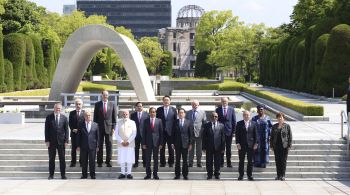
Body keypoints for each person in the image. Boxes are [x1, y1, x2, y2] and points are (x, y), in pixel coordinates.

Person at [45, 103, 69, 180]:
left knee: (62, 159)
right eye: (56, 108)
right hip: (51, 142)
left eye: (59, 108)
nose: (58, 110)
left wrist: (66, 141)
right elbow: (46, 130)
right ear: (54, 109)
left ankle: (63, 175)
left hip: (61, 142)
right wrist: (47, 140)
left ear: (61, 109)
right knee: (51, 159)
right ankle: (51, 175)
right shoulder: (49, 117)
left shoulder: (64, 118)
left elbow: (67, 130)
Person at [94, 90, 116, 167]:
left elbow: (114, 118)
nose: (105, 96)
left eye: (106, 95)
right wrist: (95, 128)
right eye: (104, 95)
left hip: (109, 128)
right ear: (101, 95)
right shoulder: (97, 104)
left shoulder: (112, 104)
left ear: (108, 96)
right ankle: (99, 162)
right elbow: (95, 118)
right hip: (99, 128)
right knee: (99, 145)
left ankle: (108, 161)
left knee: (109, 145)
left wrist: (113, 128)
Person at [235, 110, 258, 181]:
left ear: (250, 116)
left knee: (250, 161)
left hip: (251, 146)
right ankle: (241, 175)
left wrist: (256, 143)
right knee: (241, 161)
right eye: (245, 115)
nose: (246, 116)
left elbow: (256, 135)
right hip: (242, 146)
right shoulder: (239, 123)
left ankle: (249, 175)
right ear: (243, 116)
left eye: (247, 115)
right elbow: (237, 134)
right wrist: (237, 143)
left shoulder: (254, 123)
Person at [202, 112, 225, 180]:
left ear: (217, 117)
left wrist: (223, 147)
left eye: (216, 116)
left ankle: (217, 174)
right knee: (209, 161)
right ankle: (209, 174)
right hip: (209, 147)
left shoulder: (221, 125)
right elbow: (204, 137)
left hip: (218, 147)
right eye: (213, 116)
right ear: (210, 117)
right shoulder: (206, 125)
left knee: (217, 161)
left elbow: (223, 138)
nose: (214, 118)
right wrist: (203, 147)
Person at [76, 111, 99, 179]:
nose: (88, 117)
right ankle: (84, 175)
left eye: (89, 115)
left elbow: (98, 136)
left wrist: (98, 146)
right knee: (84, 161)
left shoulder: (96, 125)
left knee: (92, 161)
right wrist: (78, 146)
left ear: (91, 116)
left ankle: (92, 174)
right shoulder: (80, 124)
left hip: (93, 146)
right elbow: (78, 136)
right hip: (83, 146)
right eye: (86, 115)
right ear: (84, 116)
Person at [171, 108, 193, 180]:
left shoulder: (189, 122)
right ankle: (177, 175)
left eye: (182, 113)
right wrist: (172, 143)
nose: (181, 114)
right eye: (179, 113)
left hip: (185, 144)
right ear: (178, 114)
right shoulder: (175, 122)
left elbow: (190, 134)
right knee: (177, 160)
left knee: (185, 160)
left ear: (184, 114)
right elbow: (173, 133)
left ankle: (185, 174)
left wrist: (190, 144)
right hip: (177, 144)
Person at [142, 107, 163, 180]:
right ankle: (148, 174)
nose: (152, 113)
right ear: (149, 113)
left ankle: (155, 174)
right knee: (148, 160)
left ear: (155, 113)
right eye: (151, 112)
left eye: (154, 112)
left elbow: (161, 133)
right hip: (147, 143)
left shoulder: (159, 121)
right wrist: (143, 143)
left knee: (156, 159)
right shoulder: (146, 121)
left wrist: (161, 143)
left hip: (156, 143)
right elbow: (144, 133)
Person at [271, 112, 292, 181]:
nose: (280, 118)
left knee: (283, 161)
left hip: (284, 146)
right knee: (277, 161)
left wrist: (289, 145)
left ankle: (283, 175)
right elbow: (271, 137)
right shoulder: (274, 126)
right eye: (278, 117)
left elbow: (290, 136)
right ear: (277, 118)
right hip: (276, 146)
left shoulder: (287, 126)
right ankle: (278, 175)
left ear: (283, 118)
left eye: (281, 117)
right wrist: (271, 145)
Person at [115, 109, 137, 179]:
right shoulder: (118, 122)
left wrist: (128, 141)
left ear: (129, 114)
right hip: (121, 144)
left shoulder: (132, 122)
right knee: (122, 159)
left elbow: (134, 133)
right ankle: (122, 173)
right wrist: (121, 141)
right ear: (122, 115)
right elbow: (116, 133)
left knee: (129, 159)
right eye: (124, 114)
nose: (125, 115)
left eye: (126, 114)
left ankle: (129, 173)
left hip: (130, 144)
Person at [156, 95, 177, 167]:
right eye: (165, 100)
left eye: (167, 100)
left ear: (170, 101)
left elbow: (175, 121)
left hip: (170, 132)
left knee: (171, 148)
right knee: (162, 148)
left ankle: (171, 162)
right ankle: (162, 162)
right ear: (163, 101)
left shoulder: (173, 109)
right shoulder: (159, 109)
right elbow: (157, 121)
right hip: (161, 132)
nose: (166, 101)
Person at [215, 97, 236, 167]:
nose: (224, 102)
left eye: (225, 101)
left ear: (228, 102)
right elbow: (216, 121)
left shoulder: (231, 109)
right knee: (221, 148)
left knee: (228, 148)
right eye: (223, 101)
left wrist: (233, 132)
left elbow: (234, 121)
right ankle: (221, 163)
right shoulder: (217, 109)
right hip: (220, 132)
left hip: (229, 132)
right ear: (221, 102)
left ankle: (229, 163)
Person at [186, 100, 207, 167]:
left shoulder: (202, 112)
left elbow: (204, 123)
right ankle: (190, 162)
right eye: (193, 104)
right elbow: (186, 122)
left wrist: (203, 132)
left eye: (196, 104)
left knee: (199, 149)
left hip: (199, 133)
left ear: (198, 105)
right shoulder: (188, 112)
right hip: (190, 134)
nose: (194, 106)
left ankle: (199, 162)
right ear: (191, 105)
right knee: (190, 149)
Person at [130, 102, 149, 168]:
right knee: (136, 150)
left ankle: (145, 162)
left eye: (140, 106)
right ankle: (136, 163)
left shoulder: (146, 114)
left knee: (144, 149)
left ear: (142, 107)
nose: (139, 107)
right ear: (136, 107)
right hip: (135, 135)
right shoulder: (132, 115)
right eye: (138, 106)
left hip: (144, 135)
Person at [68, 98, 85, 167]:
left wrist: (80, 130)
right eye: (77, 104)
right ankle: (73, 162)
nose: (78, 105)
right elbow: (70, 123)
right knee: (73, 149)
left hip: (82, 135)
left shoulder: (84, 113)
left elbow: (85, 123)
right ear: (75, 105)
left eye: (79, 104)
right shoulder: (72, 113)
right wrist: (72, 129)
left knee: (82, 148)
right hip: (74, 134)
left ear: (82, 105)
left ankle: (81, 161)